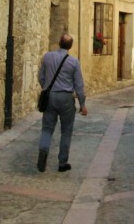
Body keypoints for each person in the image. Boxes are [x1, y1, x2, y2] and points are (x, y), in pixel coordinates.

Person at [37, 34, 87, 173]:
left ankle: (43, 149)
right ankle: (62, 163)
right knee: (66, 131)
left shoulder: (47, 57)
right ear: (70, 46)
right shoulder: (74, 62)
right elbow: (79, 85)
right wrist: (82, 104)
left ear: (59, 42)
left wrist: (47, 88)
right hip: (66, 99)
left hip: (50, 96)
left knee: (47, 128)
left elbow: (41, 77)